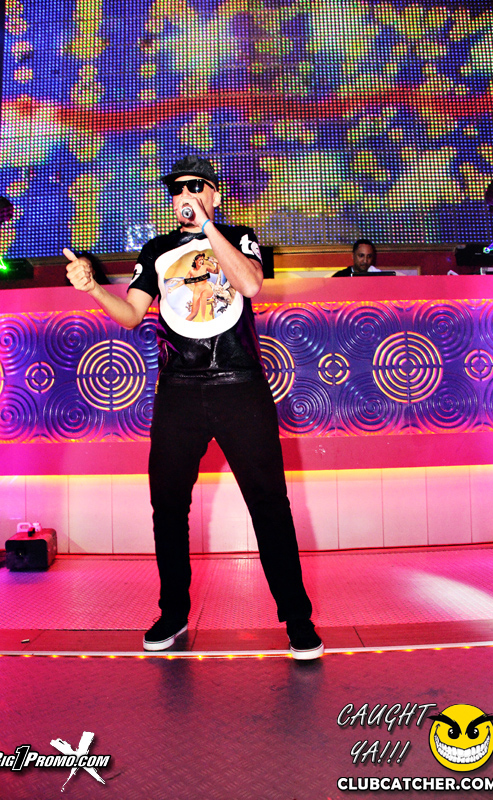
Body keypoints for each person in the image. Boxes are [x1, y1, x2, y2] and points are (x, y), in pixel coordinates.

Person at [64, 154, 324, 660]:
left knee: (269, 503)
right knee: (168, 506)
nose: (184, 195)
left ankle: (297, 619)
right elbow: (130, 314)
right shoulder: (157, 250)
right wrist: (93, 287)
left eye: (195, 186)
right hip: (179, 389)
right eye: (177, 189)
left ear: (214, 194)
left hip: (239, 385)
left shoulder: (239, 237)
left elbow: (250, 285)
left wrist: (208, 229)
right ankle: (173, 612)